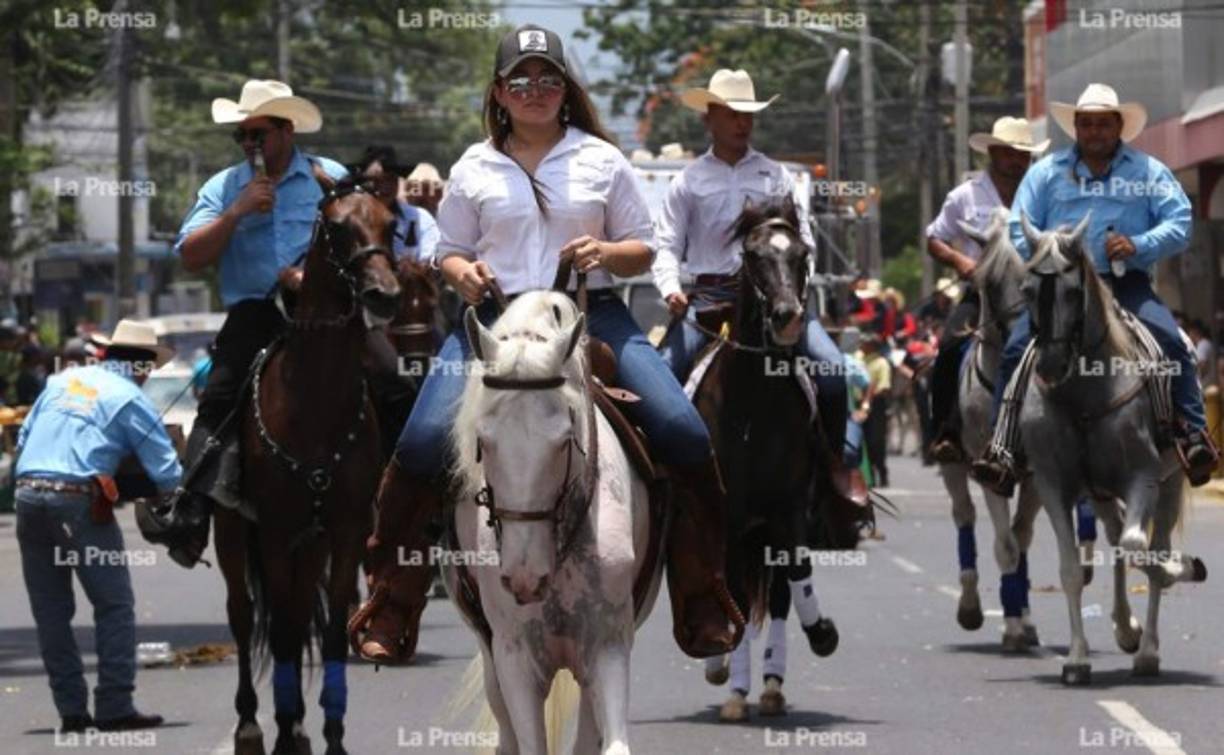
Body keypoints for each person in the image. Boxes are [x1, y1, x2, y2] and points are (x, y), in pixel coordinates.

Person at [354, 24, 741, 663]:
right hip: (494, 323)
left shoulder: (602, 159)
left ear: (566, 89)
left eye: (548, 78)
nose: (535, 90)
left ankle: (700, 594)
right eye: (521, 80)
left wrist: (605, 250)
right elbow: (448, 250)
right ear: (500, 93)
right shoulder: (473, 165)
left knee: (684, 430)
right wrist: (463, 273)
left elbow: (642, 245)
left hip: (590, 317)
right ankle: (394, 600)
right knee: (420, 443)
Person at [971, 84, 1219, 494]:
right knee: (1015, 348)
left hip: (1125, 283)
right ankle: (1002, 449)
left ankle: (1192, 435)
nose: (1094, 131)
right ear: (1075, 128)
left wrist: (1138, 244)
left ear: (1119, 126)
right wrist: (1048, 253)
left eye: (1103, 123)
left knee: (1170, 343)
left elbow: (1180, 223)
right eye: (1086, 124)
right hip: (1060, 288)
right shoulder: (1045, 173)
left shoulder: (1148, 171)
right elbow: (1018, 226)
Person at [141, 79, 348, 567]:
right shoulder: (223, 187)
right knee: (217, 401)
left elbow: (357, 244)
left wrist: (309, 276)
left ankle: (405, 508)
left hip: (321, 313)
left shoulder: (328, 177)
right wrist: (235, 213)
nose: (251, 145)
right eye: (244, 137)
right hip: (253, 315)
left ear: (287, 130)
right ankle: (189, 517)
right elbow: (191, 255)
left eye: (260, 134)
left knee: (388, 381)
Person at [653, 67, 847, 453]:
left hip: (777, 302)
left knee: (833, 370)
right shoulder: (688, 181)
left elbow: (804, 242)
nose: (742, 123)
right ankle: (664, 480)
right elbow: (666, 245)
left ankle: (835, 467)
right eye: (731, 114)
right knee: (662, 380)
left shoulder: (778, 177)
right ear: (708, 118)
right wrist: (671, 289)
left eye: (748, 114)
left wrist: (792, 295)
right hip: (709, 303)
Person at [15, 320, 180, 734]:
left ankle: (72, 711)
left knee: (51, 612)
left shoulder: (61, 381)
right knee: (114, 606)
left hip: (27, 497)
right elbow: (168, 475)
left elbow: (23, 443)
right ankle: (113, 705)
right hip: (78, 503)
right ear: (141, 367)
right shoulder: (130, 398)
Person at [924, 117, 1047, 462]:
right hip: (981, 294)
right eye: (1009, 152)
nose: (1016, 160)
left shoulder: (1041, 194)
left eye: (1023, 153)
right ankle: (946, 430)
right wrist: (960, 262)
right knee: (949, 346)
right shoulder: (964, 195)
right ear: (993, 152)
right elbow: (934, 237)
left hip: (1032, 294)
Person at [354, 145, 440, 263]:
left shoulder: (420, 220)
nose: (384, 187)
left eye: (390, 179)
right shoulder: (350, 222)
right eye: (375, 180)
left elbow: (430, 264)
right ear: (361, 182)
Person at [858, 334, 892, 487]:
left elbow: (884, 388)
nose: (861, 345)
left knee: (876, 441)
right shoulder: (858, 358)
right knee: (862, 440)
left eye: (864, 343)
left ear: (872, 346)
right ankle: (868, 475)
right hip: (857, 403)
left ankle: (882, 473)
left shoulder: (881, 363)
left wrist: (868, 398)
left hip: (876, 405)